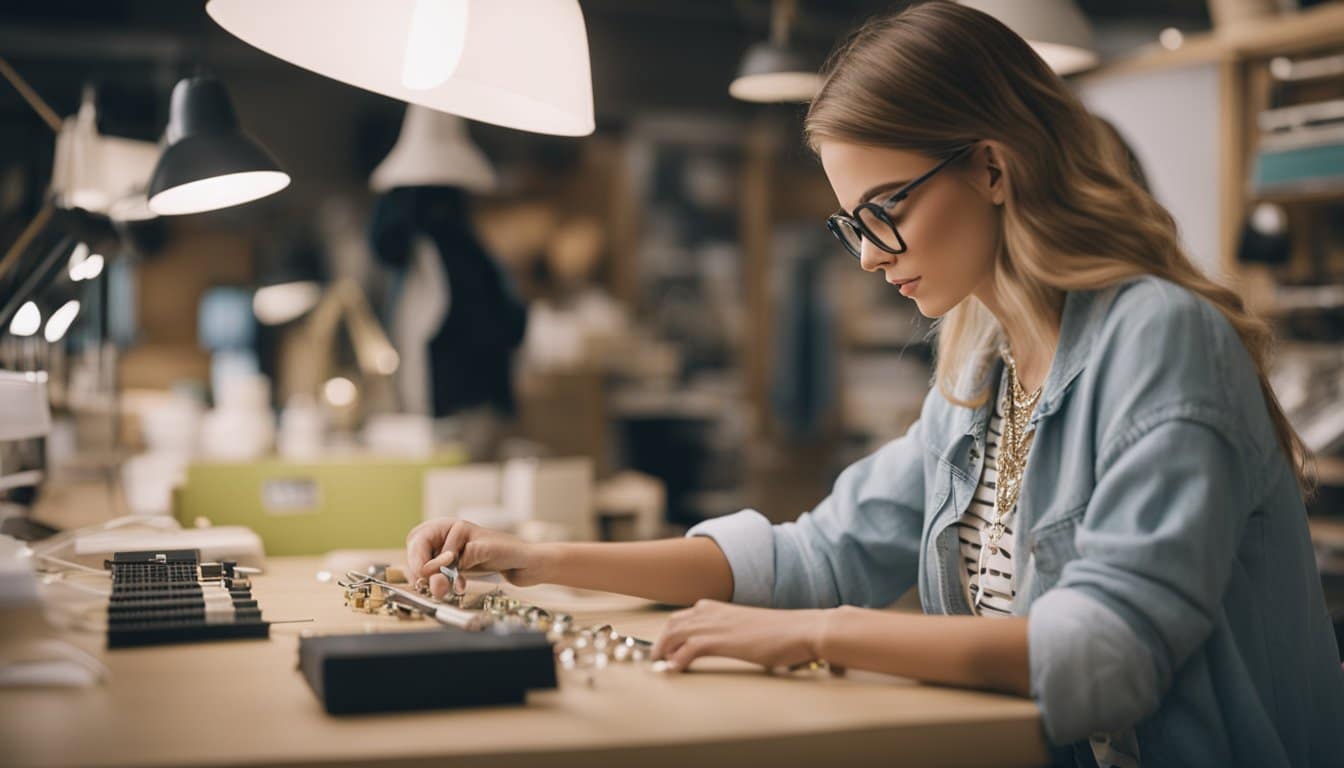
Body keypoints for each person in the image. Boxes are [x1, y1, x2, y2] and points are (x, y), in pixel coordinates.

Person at [405, 3, 1344, 765]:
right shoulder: (983, 360)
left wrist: (821, 635)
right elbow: (816, 552)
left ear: (991, 166)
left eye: (885, 211)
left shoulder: (1160, 337)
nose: (866, 258)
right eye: (849, 224)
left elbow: (1106, 658)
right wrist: (543, 558)